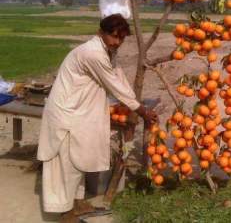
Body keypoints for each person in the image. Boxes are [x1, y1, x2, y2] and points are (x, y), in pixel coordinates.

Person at [37, 14, 157, 223]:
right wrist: (141, 110)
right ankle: (65, 212)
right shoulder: (93, 53)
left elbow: (118, 76)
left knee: (78, 159)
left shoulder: (107, 51)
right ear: (100, 32)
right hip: (66, 112)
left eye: (121, 38)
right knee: (67, 164)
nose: (117, 42)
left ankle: (77, 202)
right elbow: (113, 84)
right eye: (114, 37)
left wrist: (137, 104)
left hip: (78, 110)